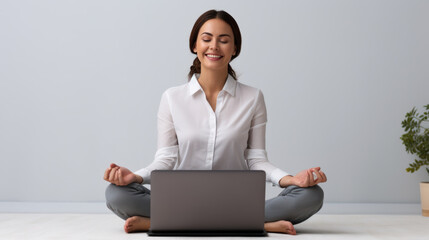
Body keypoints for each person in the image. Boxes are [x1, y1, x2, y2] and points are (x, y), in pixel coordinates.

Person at [103, 9, 327, 235]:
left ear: (235, 48)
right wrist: (136, 177)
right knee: (116, 193)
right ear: (194, 46)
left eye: (224, 40)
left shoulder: (253, 97)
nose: (214, 46)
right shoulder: (172, 98)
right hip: (182, 201)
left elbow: (256, 160)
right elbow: (166, 160)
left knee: (311, 194)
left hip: (236, 202)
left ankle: (161, 222)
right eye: (207, 39)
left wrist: (290, 179)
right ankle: (257, 224)